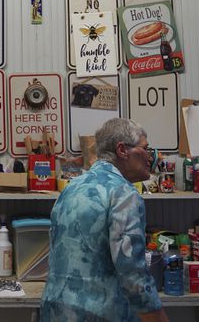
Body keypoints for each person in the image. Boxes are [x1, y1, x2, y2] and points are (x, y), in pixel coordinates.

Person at [40, 118, 169, 322]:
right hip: (99, 314)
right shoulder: (124, 194)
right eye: (146, 148)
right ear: (122, 150)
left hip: (55, 311)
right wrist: (158, 317)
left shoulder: (72, 188)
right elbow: (132, 272)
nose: (151, 157)